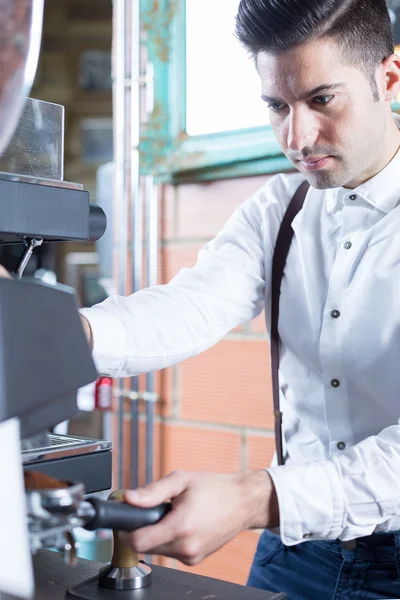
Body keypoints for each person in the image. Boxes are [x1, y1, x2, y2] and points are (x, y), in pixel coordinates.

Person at [79, 0, 400, 598]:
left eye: (322, 100)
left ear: (388, 77)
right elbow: (189, 307)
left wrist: (257, 496)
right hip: (296, 547)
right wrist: (62, 333)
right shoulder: (281, 208)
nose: (297, 136)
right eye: (277, 106)